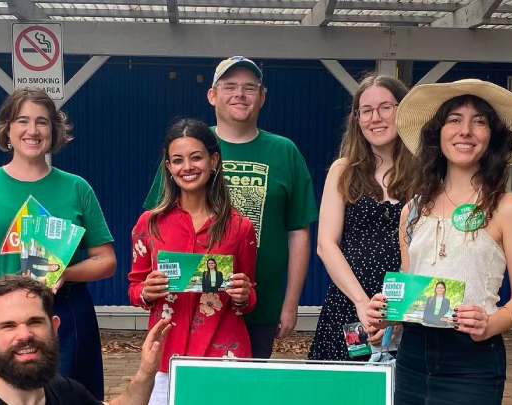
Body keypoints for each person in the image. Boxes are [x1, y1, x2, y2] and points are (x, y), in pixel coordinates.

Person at [367, 79, 512, 404]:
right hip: (412, 354)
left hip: (472, 359)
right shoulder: (413, 209)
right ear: (438, 133)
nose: (466, 131)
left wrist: (491, 324)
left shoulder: (508, 208)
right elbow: (411, 287)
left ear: (492, 137)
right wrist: (389, 311)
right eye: (454, 119)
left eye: (479, 121)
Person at [0, 88, 116, 400]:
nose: (33, 131)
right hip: (2, 313)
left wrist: (66, 274)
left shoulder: (77, 188)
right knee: (6, 395)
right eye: (22, 120)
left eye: (43, 122)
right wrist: (5, 289)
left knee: (71, 396)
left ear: (54, 130)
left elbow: (105, 260)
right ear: (7, 129)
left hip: (64, 309)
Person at [144, 56, 318, 359]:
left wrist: (290, 304)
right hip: (189, 308)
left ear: (262, 97)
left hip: (258, 308)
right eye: (230, 86)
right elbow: (155, 224)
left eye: (250, 88)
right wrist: (148, 285)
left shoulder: (285, 151)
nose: (240, 94)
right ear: (212, 95)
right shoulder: (189, 147)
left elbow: (298, 233)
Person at [129, 118, 257, 405]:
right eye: (177, 160)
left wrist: (243, 294)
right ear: (168, 167)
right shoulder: (149, 224)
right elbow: (135, 288)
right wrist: (146, 291)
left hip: (224, 353)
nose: (187, 167)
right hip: (164, 354)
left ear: (214, 161)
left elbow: (249, 297)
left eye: (196, 157)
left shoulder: (240, 227)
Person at [308, 74, 412, 361]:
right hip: (351, 302)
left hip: (406, 308)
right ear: (357, 118)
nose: (375, 118)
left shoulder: (426, 173)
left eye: (385, 107)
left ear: (403, 109)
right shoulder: (344, 170)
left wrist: (400, 311)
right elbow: (325, 244)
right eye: (366, 110)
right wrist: (361, 303)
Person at [0, 276, 171, 405]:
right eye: (9, 325)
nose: (25, 335)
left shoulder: (65, 391)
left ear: (54, 327)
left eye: (35, 321)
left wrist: (146, 372)